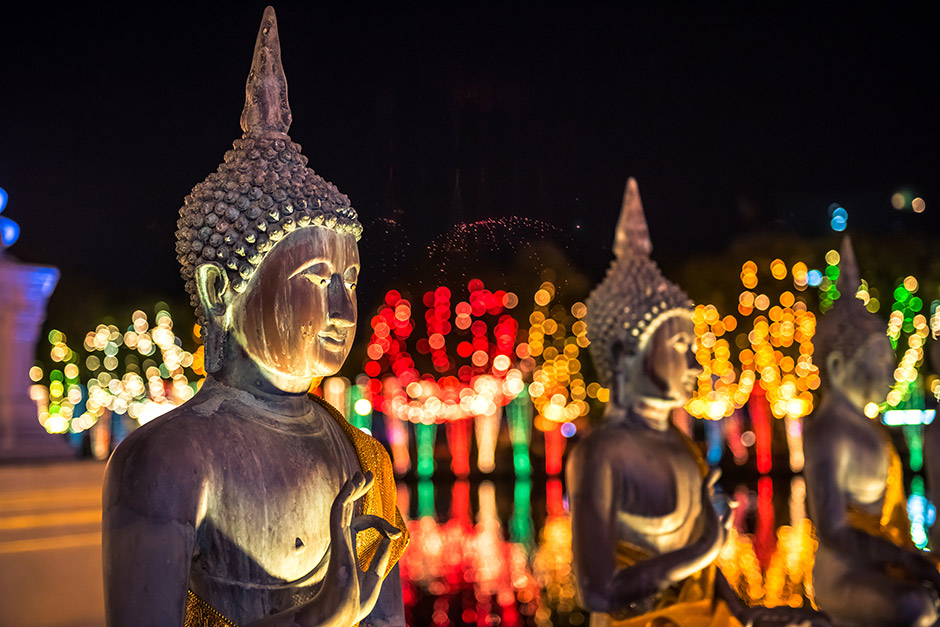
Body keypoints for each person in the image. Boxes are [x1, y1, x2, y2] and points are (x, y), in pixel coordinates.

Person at [102, 8, 407, 627]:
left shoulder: (361, 457)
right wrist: (317, 616)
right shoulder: (169, 460)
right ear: (221, 290)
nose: (343, 308)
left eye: (349, 280)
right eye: (316, 281)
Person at [569, 178, 827, 627]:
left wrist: (747, 613)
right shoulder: (600, 453)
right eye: (679, 345)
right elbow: (596, 591)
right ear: (624, 354)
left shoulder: (681, 446)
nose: (693, 362)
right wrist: (701, 549)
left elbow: (704, 578)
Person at [804, 236, 939, 627]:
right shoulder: (828, 432)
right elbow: (831, 530)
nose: (888, 373)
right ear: (837, 365)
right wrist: (904, 558)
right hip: (843, 574)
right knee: (915, 608)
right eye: (877, 360)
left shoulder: (871, 429)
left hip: (882, 561)